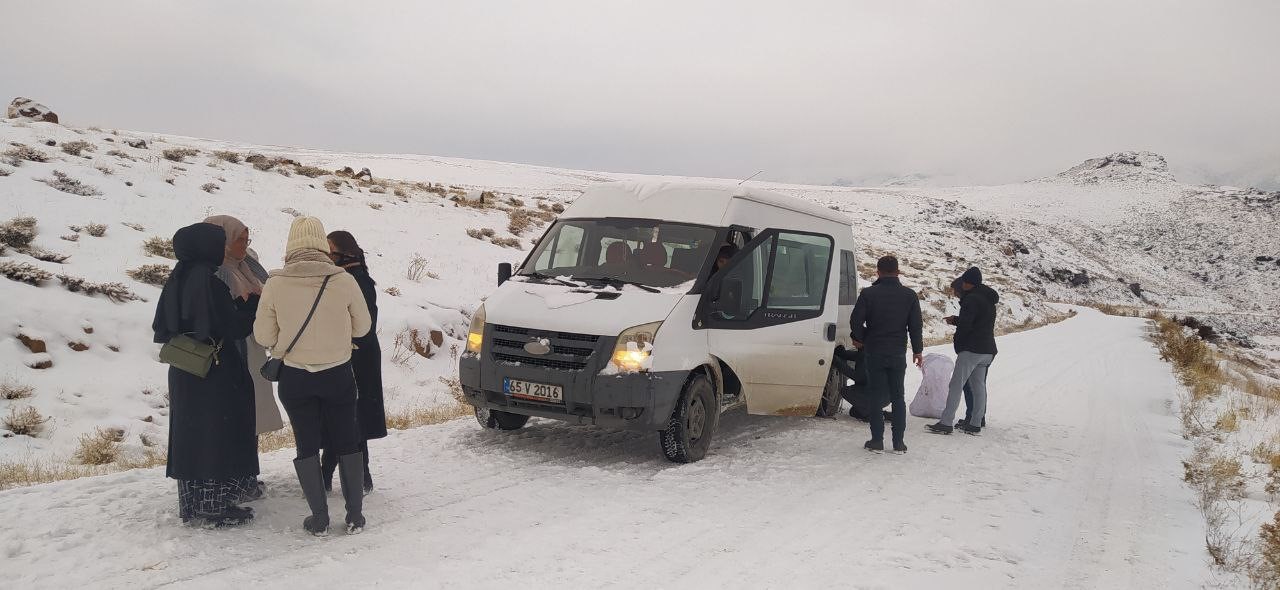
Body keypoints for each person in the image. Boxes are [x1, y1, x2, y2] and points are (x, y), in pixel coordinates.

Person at [254, 217, 372, 535]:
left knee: (306, 444)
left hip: (296, 377)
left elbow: (263, 336)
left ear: (290, 244)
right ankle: (354, 516)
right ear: (322, 244)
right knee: (347, 439)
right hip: (338, 374)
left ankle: (318, 517)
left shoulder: (276, 284)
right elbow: (363, 328)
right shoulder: (344, 281)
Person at [152, 223, 259, 527]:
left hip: (184, 368)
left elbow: (167, 325)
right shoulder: (210, 282)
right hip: (215, 368)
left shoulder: (177, 278)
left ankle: (192, 504)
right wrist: (253, 309)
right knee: (217, 434)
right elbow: (232, 326)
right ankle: (215, 507)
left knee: (190, 436)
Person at [203, 215, 286, 501]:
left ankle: (248, 476)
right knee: (235, 416)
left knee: (250, 416)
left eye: (247, 239)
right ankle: (236, 480)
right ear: (223, 241)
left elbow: (269, 288)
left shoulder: (245, 265)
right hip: (231, 352)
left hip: (252, 348)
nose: (244, 245)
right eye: (239, 239)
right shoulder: (216, 272)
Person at [320, 230, 386, 495]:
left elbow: (363, 326)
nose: (327, 256)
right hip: (353, 355)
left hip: (357, 357)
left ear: (343, 252)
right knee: (348, 415)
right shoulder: (349, 277)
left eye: (330, 251)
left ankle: (345, 473)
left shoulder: (355, 281)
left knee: (349, 416)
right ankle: (358, 474)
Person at [849, 255, 923, 454]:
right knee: (898, 396)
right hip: (898, 352)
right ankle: (899, 443)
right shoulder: (909, 295)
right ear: (898, 272)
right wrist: (918, 350)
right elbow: (915, 327)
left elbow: (855, 321)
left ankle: (877, 441)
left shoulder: (869, 294)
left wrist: (862, 338)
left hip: (875, 352)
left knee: (875, 395)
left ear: (878, 272)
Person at [928, 267, 999, 435]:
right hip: (987, 350)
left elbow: (967, 326)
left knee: (955, 385)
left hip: (972, 349)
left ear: (967, 283)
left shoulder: (971, 299)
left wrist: (959, 344)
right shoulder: (988, 298)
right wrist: (956, 320)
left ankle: (946, 423)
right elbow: (978, 322)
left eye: (964, 281)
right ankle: (975, 423)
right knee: (979, 387)